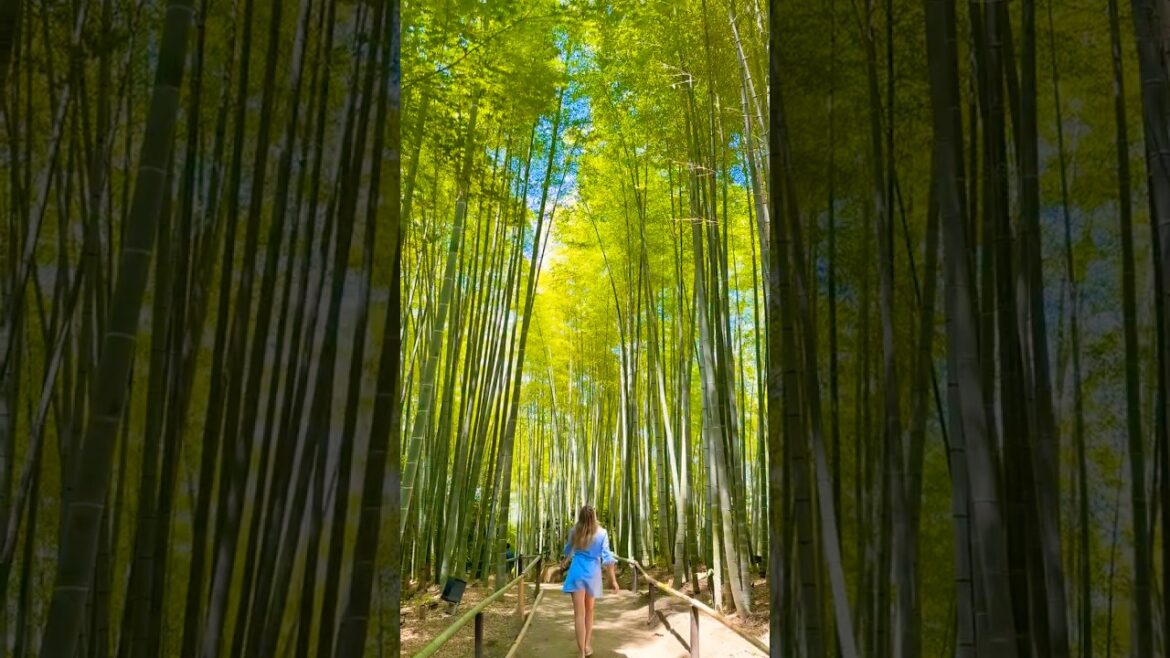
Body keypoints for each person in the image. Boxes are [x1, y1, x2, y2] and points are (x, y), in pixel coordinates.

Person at [561, 505, 619, 657]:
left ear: (580, 516)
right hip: (593, 573)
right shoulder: (602, 533)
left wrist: (565, 560)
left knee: (579, 614)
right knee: (589, 611)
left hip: (577, 571)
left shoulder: (574, 531)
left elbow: (568, 550)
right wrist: (613, 580)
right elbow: (607, 559)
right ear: (594, 516)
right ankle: (586, 646)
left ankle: (581, 653)